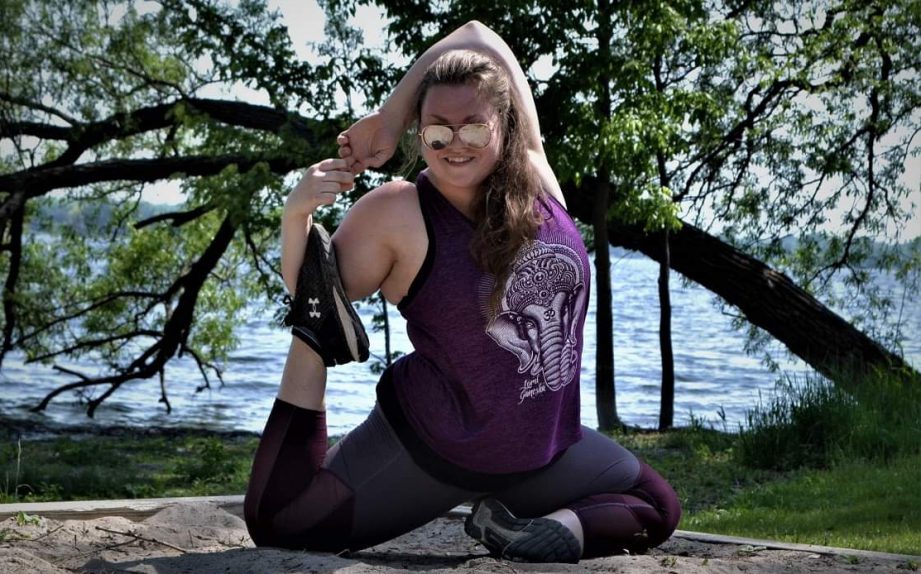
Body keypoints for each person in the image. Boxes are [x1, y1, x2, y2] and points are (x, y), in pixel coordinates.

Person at [243, 20, 681, 563]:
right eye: (436, 131)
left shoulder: (539, 178)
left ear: (505, 124)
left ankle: (537, 533)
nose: (455, 144)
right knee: (280, 524)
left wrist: (393, 111)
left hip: (538, 456)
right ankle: (525, 520)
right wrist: (297, 214)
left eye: (474, 128)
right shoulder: (399, 210)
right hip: (428, 451)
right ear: (420, 137)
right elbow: (312, 296)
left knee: (655, 505)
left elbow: (478, 35)